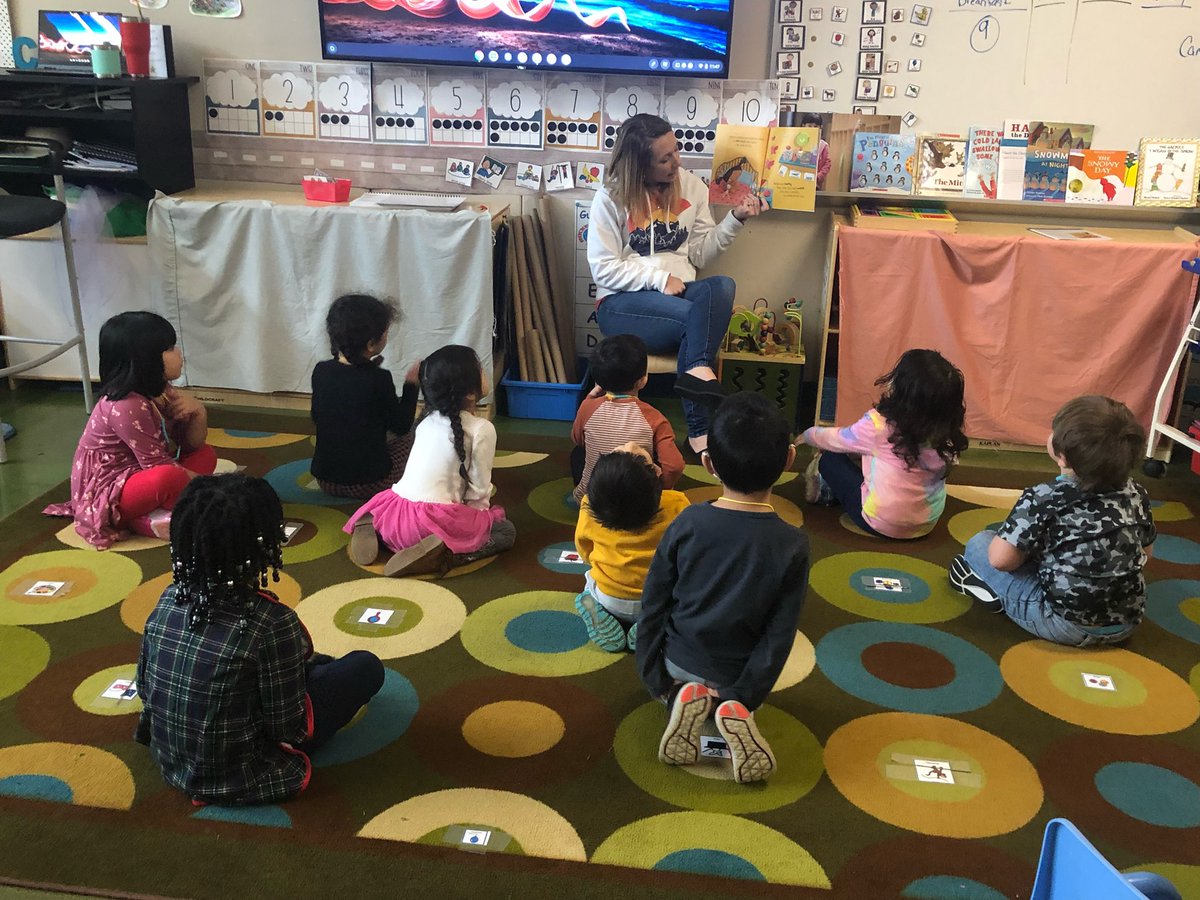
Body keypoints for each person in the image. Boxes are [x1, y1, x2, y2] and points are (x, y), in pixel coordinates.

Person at [135, 474, 385, 806]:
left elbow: (144, 686)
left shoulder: (169, 598)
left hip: (172, 759)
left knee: (300, 666)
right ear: (264, 543)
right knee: (364, 667)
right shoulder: (270, 621)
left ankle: (305, 670)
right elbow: (289, 728)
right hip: (240, 773)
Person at [637, 393, 809, 784]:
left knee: (679, 689)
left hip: (677, 663)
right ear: (788, 461)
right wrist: (748, 693)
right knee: (735, 704)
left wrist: (654, 677)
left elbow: (655, 599)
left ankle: (678, 701)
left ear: (708, 464)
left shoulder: (688, 522)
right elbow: (779, 633)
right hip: (740, 673)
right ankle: (733, 711)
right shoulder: (792, 545)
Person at [587, 113, 767, 454]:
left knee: (722, 286)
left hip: (681, 292)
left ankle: (696, 368)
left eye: (677, 151)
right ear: (639, 165)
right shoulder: (610, 197)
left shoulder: (691, 187)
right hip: (623, 304)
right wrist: (657, 278)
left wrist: (735, 219)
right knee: (694, 317)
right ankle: (699, 429)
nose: (677, 162)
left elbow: (698, 253)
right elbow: (603, 269)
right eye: (665, 158)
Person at [950, 395, 1156, 646]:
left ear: (1061, 455)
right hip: (1127, 623)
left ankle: (998, 595)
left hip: (1061, 624)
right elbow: (1146, 553)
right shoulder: (1136, 493)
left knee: (981, 543)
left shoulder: (1043, 497)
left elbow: (1001, 561)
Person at [43, 311, 216, 548]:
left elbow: (190, 445)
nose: (179, 353)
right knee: (169, 477)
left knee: (206, 455)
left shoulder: (160, 389)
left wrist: (198, 412)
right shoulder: (127, 404)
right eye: (169, 348)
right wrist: (215, 489)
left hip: (139, 473)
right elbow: (159, 468)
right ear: (145, 359)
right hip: (109, 489)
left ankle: (152, 513)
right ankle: (136, 520)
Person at [343, 345, 515, 577]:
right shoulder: (482, 428)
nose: (485, 374)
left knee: (403, 512)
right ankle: (440, 556)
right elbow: (478, 492)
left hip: (394, 516)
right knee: (505, 531)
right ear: (470, 393)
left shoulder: (425, 421)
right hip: (430, 526)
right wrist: (476, 524)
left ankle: (372, 527)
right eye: (482, 370)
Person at [797, 349, 967, 539]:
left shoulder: (880, 425)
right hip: (927, 524)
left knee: (830, 458)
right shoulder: (948, 432)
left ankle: (825, 492)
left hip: (880, 522)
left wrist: (808, 434)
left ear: (902, 389)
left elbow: (836, 439)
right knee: (870, 456)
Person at [573, 444, 690, 652]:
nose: (630, 445)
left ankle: (593, 603)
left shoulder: (588, 504)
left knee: (589, 579)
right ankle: (649, 626)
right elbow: (688, 549)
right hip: (656, 601)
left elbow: (584, 551)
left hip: (608, 596)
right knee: (683, 595)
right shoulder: (677, 502)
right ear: (656, 472)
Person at [310, 294, 420, 499]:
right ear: (371, 344)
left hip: (325, 480)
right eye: (386, 333)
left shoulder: (321, 370)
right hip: (372, 482)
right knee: (413, 434)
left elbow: (317, 416)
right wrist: (411, 386)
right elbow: (402, 425)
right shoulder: (379, 378)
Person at [571, 334, 684, 503]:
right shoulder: (655, 418)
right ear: (642, 380)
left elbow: (577, 439)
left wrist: (588, 400)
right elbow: (674, 466)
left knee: (577, 453)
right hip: (638, 503)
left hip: (592, 499)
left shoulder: (588, 408)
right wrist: (660, 488)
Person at [800, 113, 831, 190]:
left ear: (820, 128)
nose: (812, 128)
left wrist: (818, 176)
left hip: (814, 184)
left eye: (815, 126)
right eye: (809, 126)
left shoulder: (823, 145)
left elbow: (827, 164)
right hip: (797, 181)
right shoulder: (797, 142)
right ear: (803, 126)